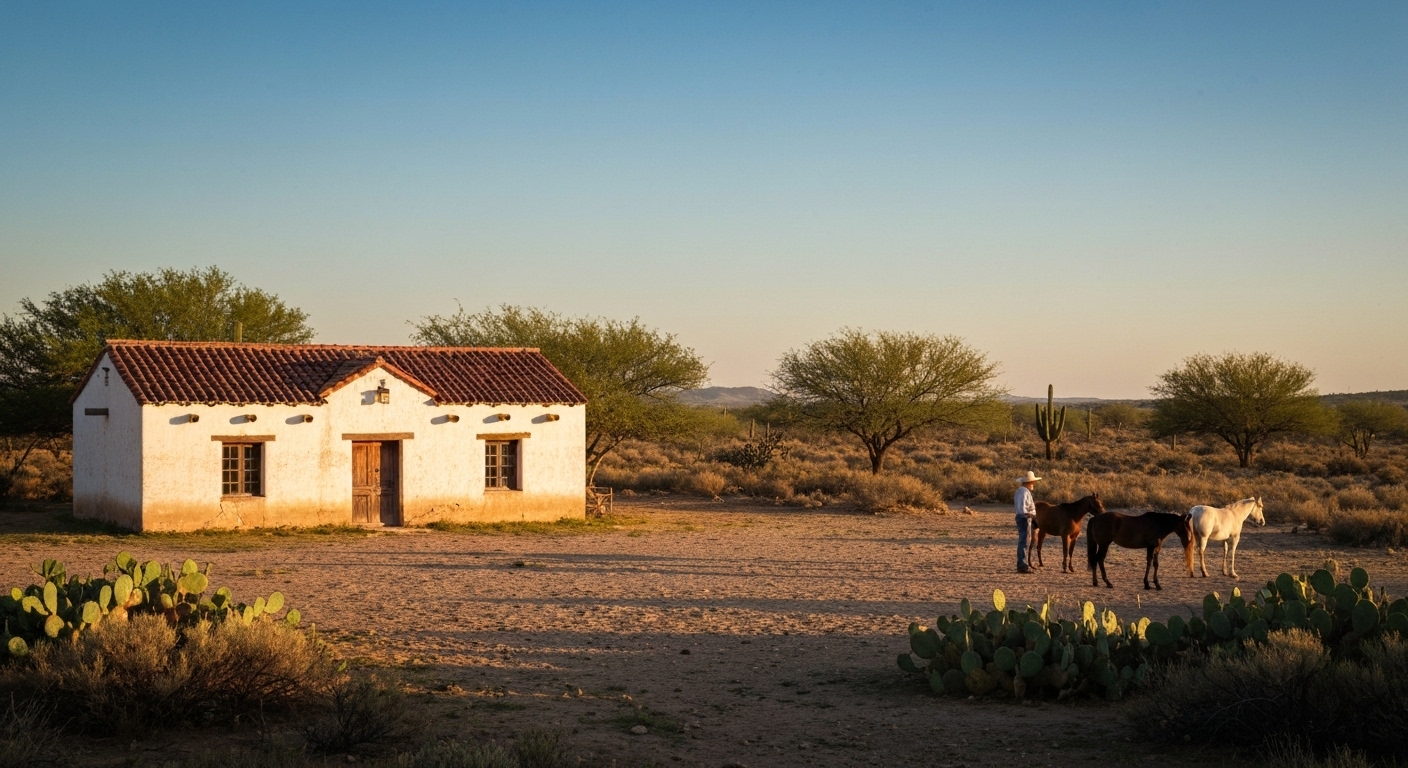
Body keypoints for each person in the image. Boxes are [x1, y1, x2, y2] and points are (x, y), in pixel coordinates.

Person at [1014, 471, 1041, 573]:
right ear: (1028, 482)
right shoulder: (1024, 492)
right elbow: (1022, 508)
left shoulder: (1021, 491)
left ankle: (1022, 563)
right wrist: (1029, 515)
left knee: (1024, 541)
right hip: (1025, 517)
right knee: (1024, 541)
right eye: (1032, 482)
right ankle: (1022, 565)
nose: (1033, 484)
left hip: (1024, 517)